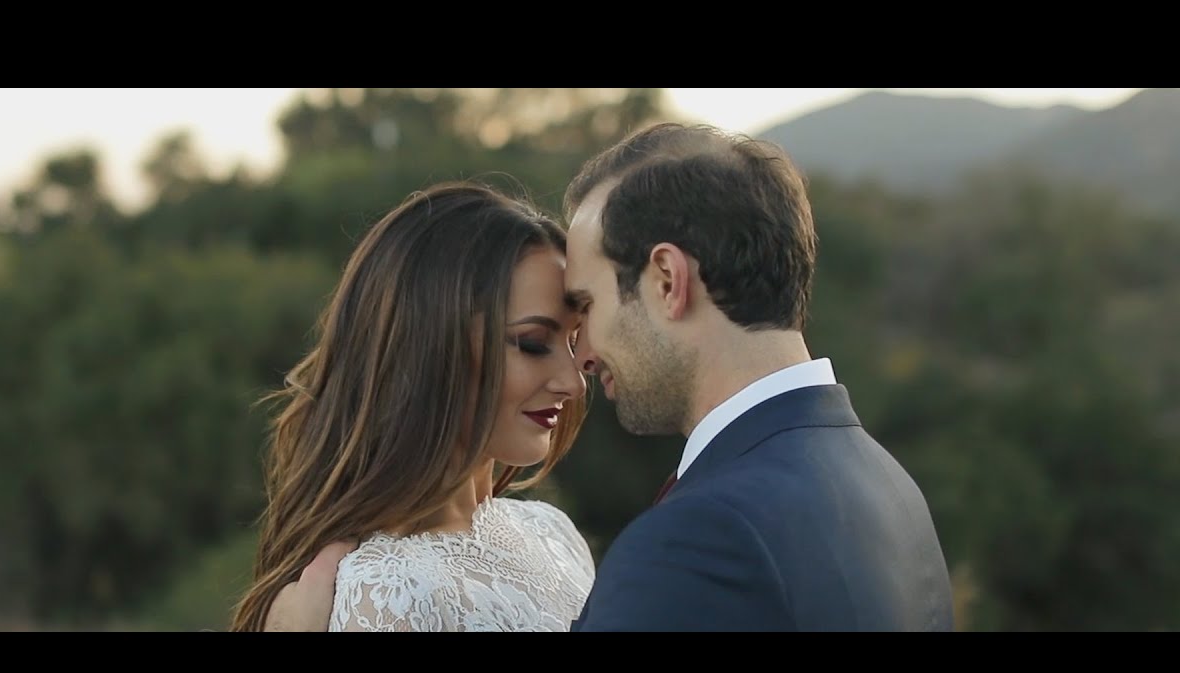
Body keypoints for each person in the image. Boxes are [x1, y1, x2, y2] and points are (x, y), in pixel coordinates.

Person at [266, 122, 955, 631]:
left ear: (667, 281)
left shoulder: (664, 539)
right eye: (536, 342)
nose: (580, 372)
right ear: (431, 347)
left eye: (584, 317)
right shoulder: (887, 487)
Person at [230, 180, 594, 632]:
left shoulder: (555, 536)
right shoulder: (386, 593)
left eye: (574, 342)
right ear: (430, 348)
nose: (573, 383)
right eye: (534, 343)